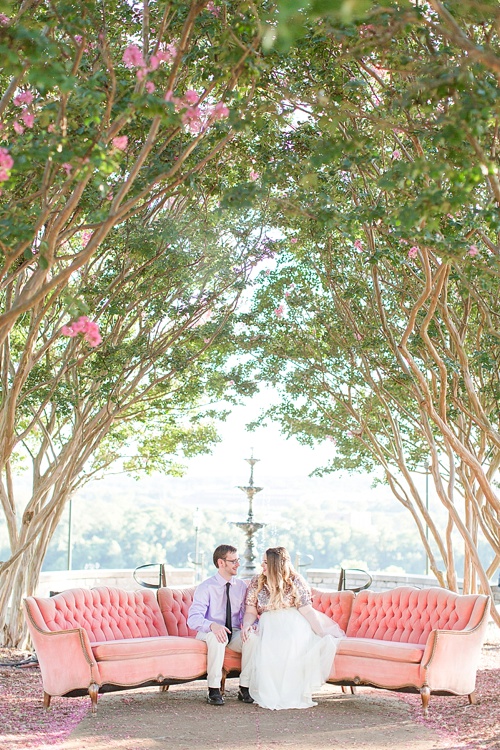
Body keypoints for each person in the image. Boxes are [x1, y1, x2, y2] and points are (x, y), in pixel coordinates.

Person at [241, 546, 344, 710]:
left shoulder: (295, 580)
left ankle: (290, 692)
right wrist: (247, 625)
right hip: (268, 623)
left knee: (290, 640)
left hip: (293, 622)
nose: (262, 566)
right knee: (268, 642)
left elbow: (307, 611)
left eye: (266, 562)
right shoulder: (257, 581)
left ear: (276, 565)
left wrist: (321, 632)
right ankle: (268, 690)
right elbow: (250, 611)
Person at [187, 544, 258, 705]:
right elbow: (193, 619)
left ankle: (244, 687)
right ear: (221, 563)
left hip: (232, 632)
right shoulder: (206, 587)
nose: (238, 564)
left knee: (252, 637)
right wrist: (212, 625)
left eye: (238, 560)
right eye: (233, 561)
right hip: (209, 632)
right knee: (217, 637)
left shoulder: (241, 586)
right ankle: (213, 689)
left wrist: (252, 626)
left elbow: (246, 614)